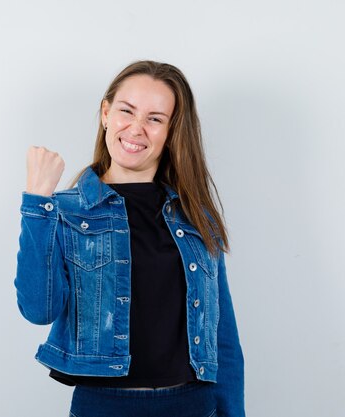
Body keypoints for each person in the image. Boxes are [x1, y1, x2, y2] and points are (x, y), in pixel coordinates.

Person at [14, 60, 244, 417]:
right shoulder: (65, 211)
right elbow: (38, 309)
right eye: (126, 111)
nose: (136, 128)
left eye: (155, 118)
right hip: (103, 407)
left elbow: (223, 337)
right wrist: (37, 202)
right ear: (106, 113)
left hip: (192, 406)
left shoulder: (196, 216)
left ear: (171, 131)